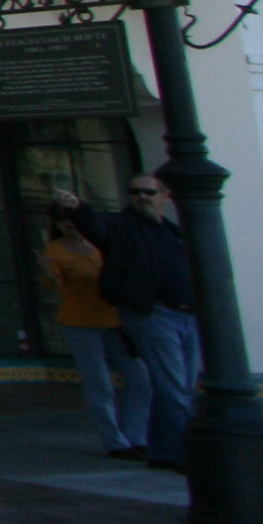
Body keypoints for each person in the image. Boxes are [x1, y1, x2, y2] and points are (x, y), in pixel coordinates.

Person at [92, 174, 202, 472]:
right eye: (135, 192)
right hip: (155, 314)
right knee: (173, 386)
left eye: (149, 192)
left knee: (182, 386)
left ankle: (164, 451)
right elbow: (95, 225)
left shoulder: (173, 232)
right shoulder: (123, 226)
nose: (142, 196)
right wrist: (76, 208)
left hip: (187, 315)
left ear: (164, 196)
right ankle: (185, 453)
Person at [39, 192, 150, 461]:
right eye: (62, 219)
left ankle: (136, 436)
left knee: (139, 378)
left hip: (114, 320)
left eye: (72, 218)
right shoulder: (55, 251)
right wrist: (46, 272)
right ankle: (115, 441)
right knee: (99, 383)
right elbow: (53, 285)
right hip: (80, 322)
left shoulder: (101, 244)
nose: (69, 224)